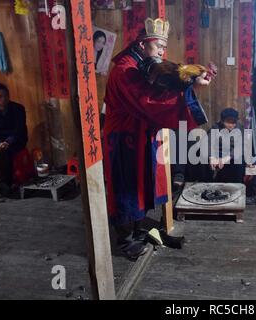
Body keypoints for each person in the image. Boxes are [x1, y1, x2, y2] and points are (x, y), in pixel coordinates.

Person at [103, 17, 211, 260]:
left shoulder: (143, 64)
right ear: (142, 45)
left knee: (144, 185)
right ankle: (125, 240)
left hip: (144, 132)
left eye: (164, 46)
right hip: (124, 136)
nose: (162, 51)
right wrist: (190, 90)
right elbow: (149, 101)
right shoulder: (125, 70)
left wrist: (191, 79)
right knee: (127, 187)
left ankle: (141, 230)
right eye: (157, 45)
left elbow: (163, 83)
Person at [0, 83, 28, 198]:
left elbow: (19, 130)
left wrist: (8, 142)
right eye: (0, 96)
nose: (4, 99)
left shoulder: (18, 109)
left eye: (5, 95)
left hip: (16, 140)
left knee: (5, 152)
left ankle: (5, 184)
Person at [207, 108, 245, 183]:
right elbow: (208, 143)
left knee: (239, 161)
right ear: (222, 121)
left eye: (233, 122)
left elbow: (241, 146)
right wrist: (211, 157)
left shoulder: (240, 127)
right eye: (228, 122)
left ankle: (237, 188)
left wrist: (226, 158)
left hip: (233, 154)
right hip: (219, 153)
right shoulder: (216, 127)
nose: (231, 125)